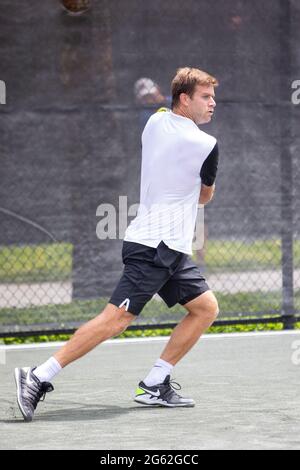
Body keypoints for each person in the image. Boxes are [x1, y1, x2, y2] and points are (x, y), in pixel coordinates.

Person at [14, 67, 220, 421]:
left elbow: (162, 111)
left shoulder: (154, 122)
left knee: (206, 308)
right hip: (154, 247)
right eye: (205, 96)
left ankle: (155, 383)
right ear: (185, 99)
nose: (213, 103)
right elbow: (204, 198)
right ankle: (38, 376)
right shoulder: (207, 145)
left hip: (168, 248)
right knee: (116, 319)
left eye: (213, 96)